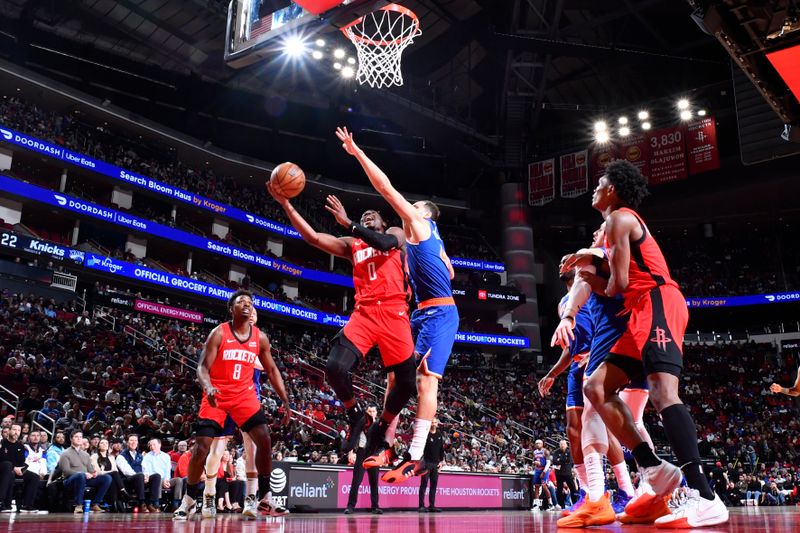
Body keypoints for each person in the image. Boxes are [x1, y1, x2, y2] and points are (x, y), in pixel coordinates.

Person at [571, 160, 728, 527]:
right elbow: (617, 288)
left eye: (600, 182)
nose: (595, 187)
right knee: (596, 386)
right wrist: (590, 272)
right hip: (637, 311)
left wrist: (591, 275)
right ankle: (654, 469)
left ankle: (705, 495)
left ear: (614, 189)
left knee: (663, 394)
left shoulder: (620, 219)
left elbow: (619, 285)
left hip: (657, 301)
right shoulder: (610, 227)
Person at [335, 127, 459, 482]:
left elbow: (385, 188)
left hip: (440, 312)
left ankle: (417, 455)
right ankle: (384, 442)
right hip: (419, 312)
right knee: (397, 376)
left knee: (425, 382)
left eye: (414, 206)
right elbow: (449, 270)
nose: (409, 208)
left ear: (425, 214)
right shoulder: (430, 238)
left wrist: (356, 152)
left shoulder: (418, 223)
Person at [268, 183, 417, 467]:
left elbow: (384, 243)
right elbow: (312, 238)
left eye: (372, 215)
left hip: (395, 311)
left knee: (408, 383)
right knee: (334, 369)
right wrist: (286, 204)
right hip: (364, 313)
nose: (367, 217)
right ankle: (355, 413)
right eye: (364, 217)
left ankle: (380, 426)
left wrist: (349, 222)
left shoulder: (396, 233)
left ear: (383, 222)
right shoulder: (353, 245)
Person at [173, 290, 291, 520]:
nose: (247, 305)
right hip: (217, 394)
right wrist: (208, 388)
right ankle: (189, 499)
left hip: (244, 396)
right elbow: (201, 368)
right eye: (241, 302)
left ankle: (264, 497)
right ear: (231, 309)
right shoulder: (219, 333)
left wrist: (285, 400)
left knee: (264, 439)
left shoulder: (260, 337)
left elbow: (272, 370)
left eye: (251, 303)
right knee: (202, 449)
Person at [58, 430, 112, 514]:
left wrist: (93, 473)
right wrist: (83, 473)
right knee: (81, 476)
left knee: (107, 478)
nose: (79, 439)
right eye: (76, 437)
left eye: (80, 437)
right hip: (70, 480)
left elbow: (91, 470)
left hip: (85, 478)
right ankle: (78, 505)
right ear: (71, 439)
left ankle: (95, 503)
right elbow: (66, 471)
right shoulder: (65, 453)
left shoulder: (86, 455)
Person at [344, 405, 381, 515]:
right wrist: (351, 452)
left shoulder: (379, 425)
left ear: (376, 413)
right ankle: (350, 506)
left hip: (373, 455)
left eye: (373, 411)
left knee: (374, 482)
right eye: (369, 411)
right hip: (361, 452)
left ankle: (375, 506)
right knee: (356, 481)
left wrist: (380, 456)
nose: (371, 413)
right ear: (366, 412)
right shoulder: (361, 422)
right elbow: (353, 438)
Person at [0, 423, 44, 513]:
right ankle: (1, 502)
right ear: (9, 431)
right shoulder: (2, 443)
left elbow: (22, 461)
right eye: (14, 430)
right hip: (3, 469)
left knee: (34, 477)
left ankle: (27, 505)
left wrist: (21, 469)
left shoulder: (20, 446)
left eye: (18, 430)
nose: (16, 432)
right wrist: (14, 467)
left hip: (15, 470)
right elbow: (2, 458)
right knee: (8, 466)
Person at [116, 434, 162, 513]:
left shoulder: (140, 455)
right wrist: (141, 475)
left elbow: (145, 468)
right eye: (131, 440)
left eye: (135, 440)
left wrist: (146, 475)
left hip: (141, 479)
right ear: (127, 442)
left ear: (137, 443)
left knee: (156, 476)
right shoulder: (121, 456)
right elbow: (126, 471)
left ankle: (151, 503)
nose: (133, 442)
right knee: (140, 475)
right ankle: (141, 503)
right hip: (128, 481)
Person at [91, 438, 126, 511]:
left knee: (112, 478)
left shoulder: (111, 457)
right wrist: (110, 472)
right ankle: (123, 491)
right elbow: (97, 471)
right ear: (98, 446)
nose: (104, 444)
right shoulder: (94, 456)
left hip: (110, 478)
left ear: (108, 446)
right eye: (102, 443)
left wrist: (111, 472)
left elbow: (115, 469)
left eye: (106, 443)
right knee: (113, 474)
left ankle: (114, 504)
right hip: (99, 477)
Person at [418, 418, 445, 512]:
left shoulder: (439, 435)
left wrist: (441, 461)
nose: (433, 424)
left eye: (435, 422)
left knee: (433, 485)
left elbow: (441, 449)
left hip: (436, 463)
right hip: (426, 462)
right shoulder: (426, 434)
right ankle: (421, 506)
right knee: (424, 484)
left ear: (437, 424)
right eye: (432, 422)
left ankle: (432, 505)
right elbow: (421, 449)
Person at [143, 438, 172, 510]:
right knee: (157, 478)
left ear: (159, 445)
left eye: (154, 445)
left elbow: (167, 470)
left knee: (179, 481)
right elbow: (145, 470)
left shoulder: (166, 456)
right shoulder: (147, 456)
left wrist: (166, 480)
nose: (152, 447)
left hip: (164, 479)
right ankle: (156, 504)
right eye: (150, 445)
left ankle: (175, 504)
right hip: (152, 479)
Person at [551, 440, 577, 509]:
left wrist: (559, 460)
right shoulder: (556, 452)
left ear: (566, 445)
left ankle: (575, 504)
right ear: (559, 445)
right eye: (561, 444)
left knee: (573, 489)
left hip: (568, 473)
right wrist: (562, 461)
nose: (562, 445)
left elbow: (568, 460)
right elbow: (554, 461)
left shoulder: (569, 452)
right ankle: (561, 505)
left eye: (563, 444)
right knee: (559, 490)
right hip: (559, 474)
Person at [530, 439, 554, 511]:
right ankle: (536, 505)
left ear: (542, 444)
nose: (537, 445)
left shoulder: (545, 451)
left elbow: (548, 463)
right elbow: (533, 460)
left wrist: (544, 472)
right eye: (536, 443)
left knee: (544, 486)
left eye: (539, 443)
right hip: (537, 470)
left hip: (544, 470)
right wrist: (535, 463)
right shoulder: (534, 452)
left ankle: (550, 504)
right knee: (536, 486)